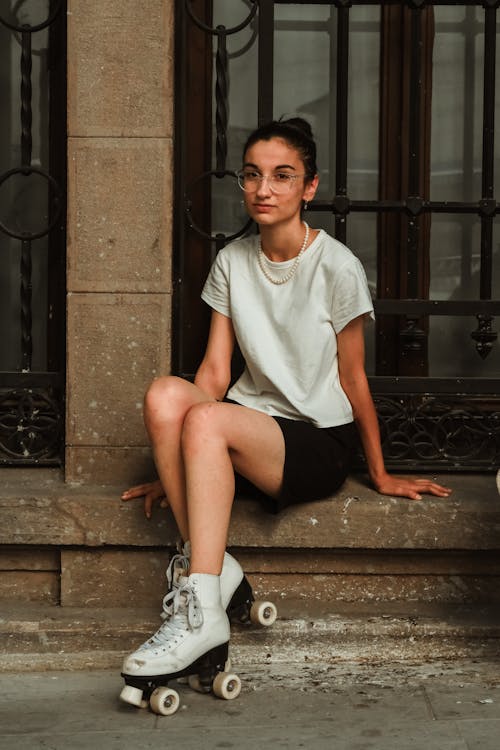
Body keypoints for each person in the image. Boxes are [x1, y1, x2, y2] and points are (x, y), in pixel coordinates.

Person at [120, 118, 451, 699]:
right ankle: (216, 572)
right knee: (164, 395)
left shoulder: (337, 266)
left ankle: (202, 609)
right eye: (252, 176)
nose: (263, 189)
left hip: (315, 441)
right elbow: (215, 374)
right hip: (245, 432)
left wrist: (379, 472)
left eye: (282, 176)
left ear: (310, 187)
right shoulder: (233, 260)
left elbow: (353, 378)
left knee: (203, 417)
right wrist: (170, 458)